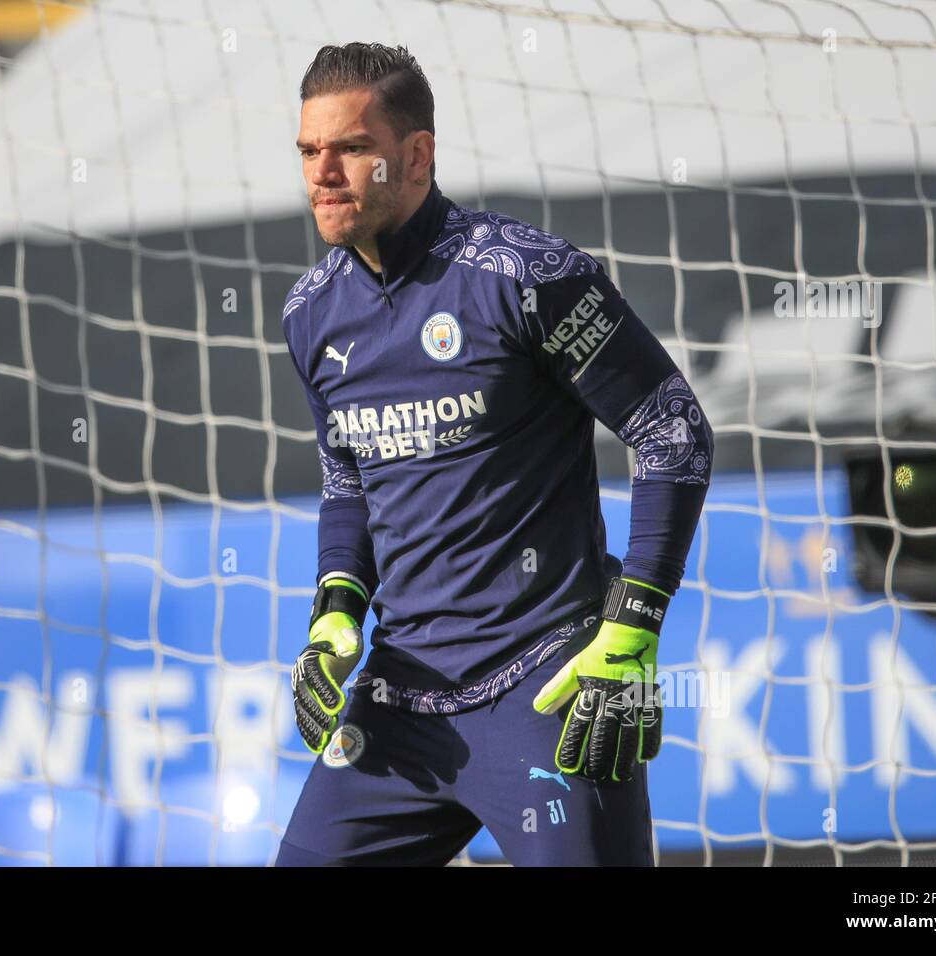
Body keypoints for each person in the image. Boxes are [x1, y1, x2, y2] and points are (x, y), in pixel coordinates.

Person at [276, 42, 713, 866]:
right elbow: (348, 477)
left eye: (350, 149)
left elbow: (673, 428)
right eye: (308, 152)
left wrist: (634, 626)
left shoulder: (526, 275)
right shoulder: (310, 312)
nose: (323, 173)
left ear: (417, 155)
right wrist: (336, 608)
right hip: (402, 695)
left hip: (550, 683)